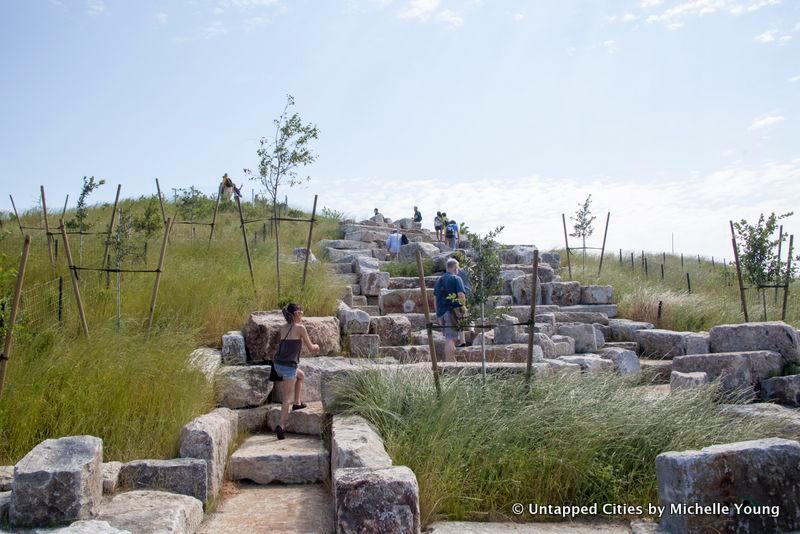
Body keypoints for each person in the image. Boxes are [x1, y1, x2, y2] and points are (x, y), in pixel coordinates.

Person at [272, 303, 320, 440]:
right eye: (301, 313)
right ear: (296, 314)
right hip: (288, 367)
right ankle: (281, 426)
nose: (302, 315)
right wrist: (317, 346)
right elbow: (311, 348)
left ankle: (297, 403)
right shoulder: (300, 328)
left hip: (277, 365)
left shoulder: (283, 328)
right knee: (286, 399)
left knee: (301, 375)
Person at [433, 258, 467, 363]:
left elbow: (435, 299)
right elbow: (461, 296)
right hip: (451, 313)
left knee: (449, 337)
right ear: (455, 268)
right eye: (458, 268)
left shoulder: (438, 281)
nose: (458, 270)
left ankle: (451, 359)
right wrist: (463, 309)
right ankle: (450, 362)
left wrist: (437, 314)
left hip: (441, 313)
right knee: (451, 338)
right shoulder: (456, 279)